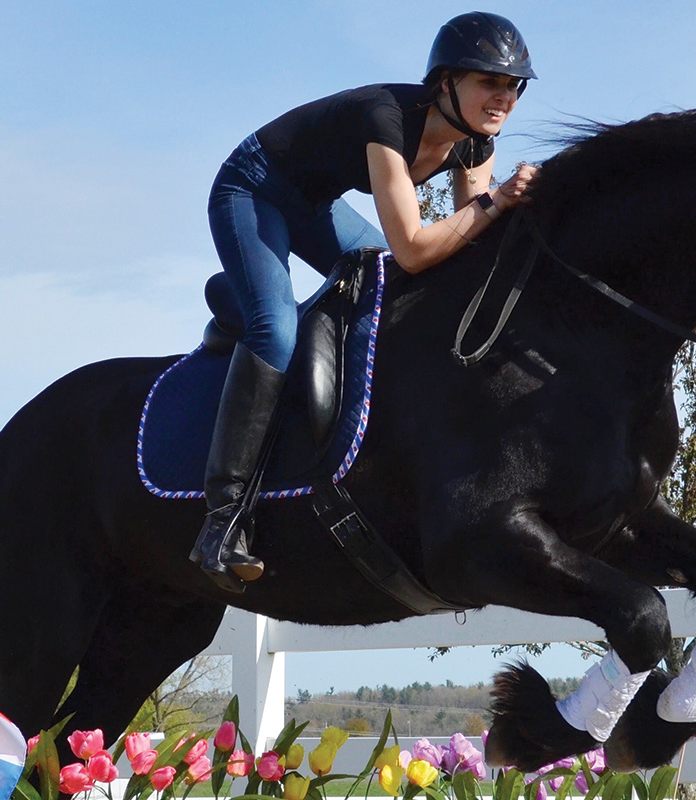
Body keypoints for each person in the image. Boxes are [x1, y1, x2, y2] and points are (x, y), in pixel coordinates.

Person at [191, 11, 540, 592]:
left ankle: (243, 298)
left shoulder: (477, 141)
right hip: (252, 186)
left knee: (394, 290)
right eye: (489, 82)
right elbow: (413, 246)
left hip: (311, 201)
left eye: (513, 86)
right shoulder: (389, 119)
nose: (503, 98)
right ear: (446, 82)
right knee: (276, 328)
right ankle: (223, 521)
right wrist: (496, 204)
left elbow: (461, 241)